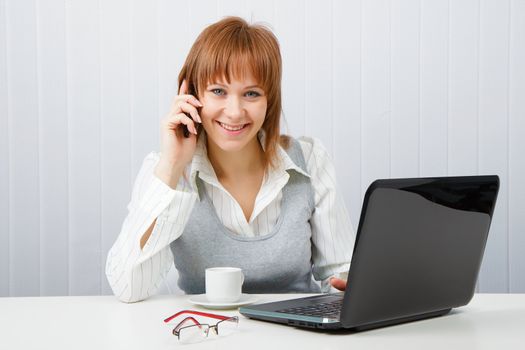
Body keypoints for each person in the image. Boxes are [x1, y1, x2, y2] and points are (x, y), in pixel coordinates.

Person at [106, 16, 355, 303]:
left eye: (251, 93)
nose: (235, 111)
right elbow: (128, 287)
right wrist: (172, 167)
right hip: (208, 334)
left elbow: (341, 274)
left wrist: (349, 287)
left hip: (296, 334)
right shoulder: (166, 171)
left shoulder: (310, 159)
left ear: (269, 101)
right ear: (190, 94)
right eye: (218, 91)